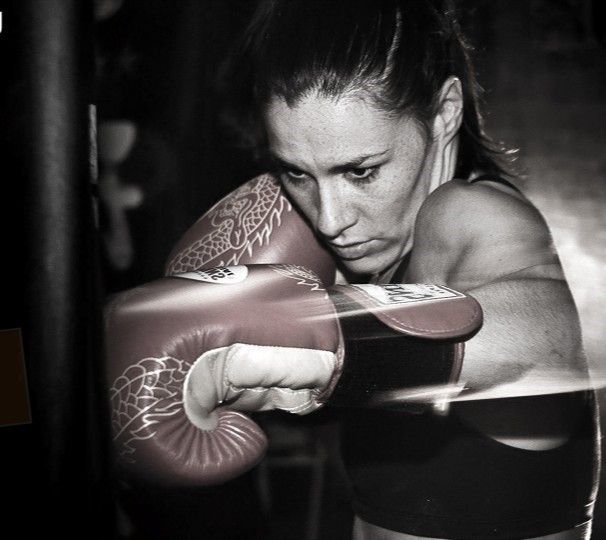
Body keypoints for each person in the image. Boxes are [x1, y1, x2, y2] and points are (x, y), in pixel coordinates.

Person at [217, 1, 600, 538]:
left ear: (444, 113)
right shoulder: (381, 265)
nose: (330, 219)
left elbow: (548, 337)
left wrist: (289, 340)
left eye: (361, 171)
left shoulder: (466, 213)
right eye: (296, 173)